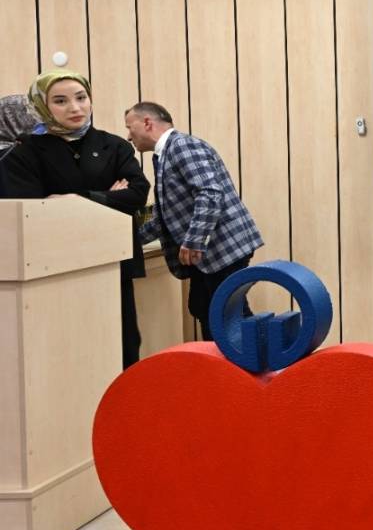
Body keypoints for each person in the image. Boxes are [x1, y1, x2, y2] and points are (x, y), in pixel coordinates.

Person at [1, 71, 149, 367]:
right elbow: (32, 210)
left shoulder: (114, 145)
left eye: (81, 98)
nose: (75, 108)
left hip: (114, 262)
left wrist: (76, 199)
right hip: (55, 268)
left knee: (123, 344)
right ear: (42, 106)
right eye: (60, 101)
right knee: (71, 351)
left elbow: (137, 194)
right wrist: (108, 198)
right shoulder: (24, 151)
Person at [123, 102, 261, 343]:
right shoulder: (167, 153)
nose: (128, 136)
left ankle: (246, 362)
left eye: (129, 127)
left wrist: (194, 241)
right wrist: (126, 239)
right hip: (215, 251)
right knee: (205, 307)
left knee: (224, 315)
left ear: (147, 123)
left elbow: (209, 192)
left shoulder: (181, 146)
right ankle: (237, 360)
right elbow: (166, 216)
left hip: (222, 249)